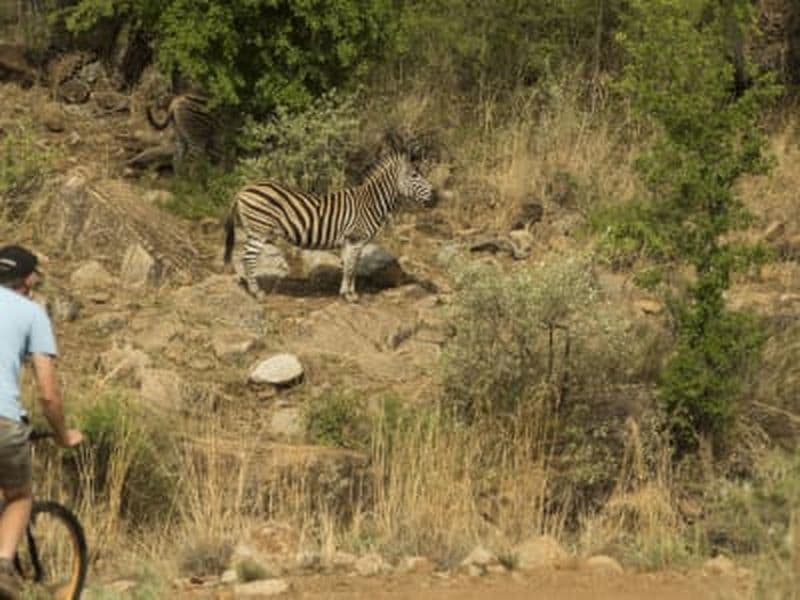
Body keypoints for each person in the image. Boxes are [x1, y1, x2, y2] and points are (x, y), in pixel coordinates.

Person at [0, 245, 82, 600]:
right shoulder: (32, 313)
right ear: (29, 280)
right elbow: (48, 394)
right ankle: (3, 566)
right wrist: (63, 434)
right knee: (19, 496)